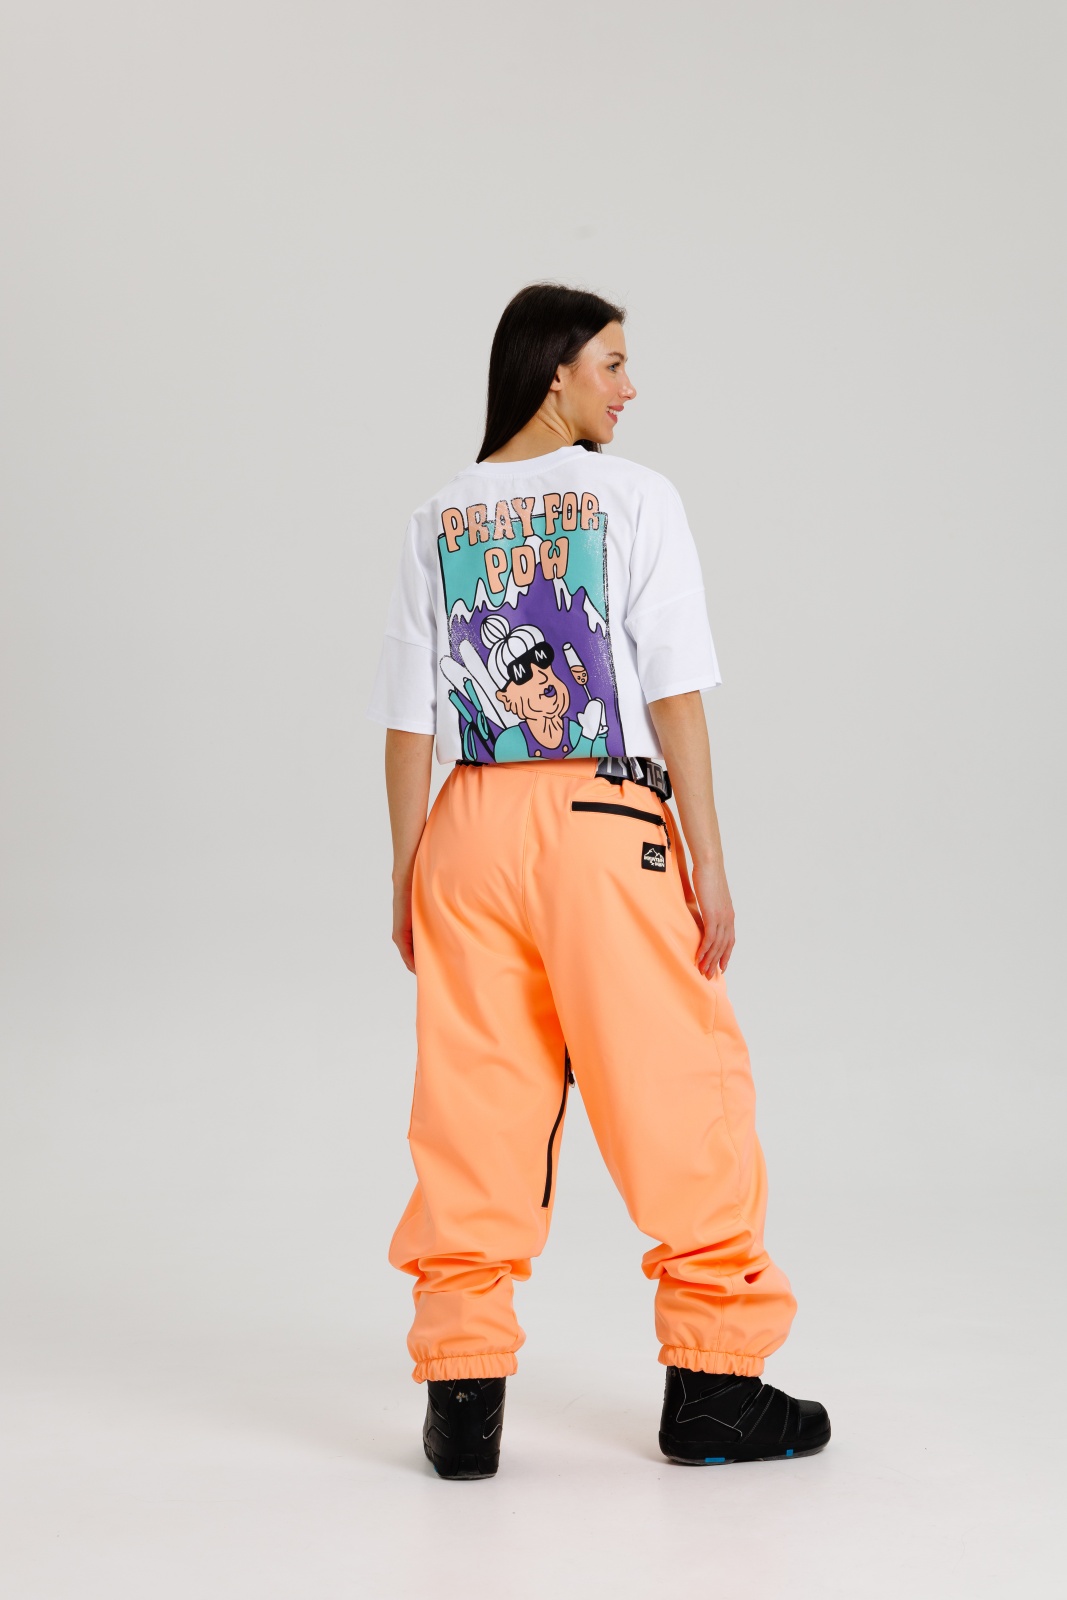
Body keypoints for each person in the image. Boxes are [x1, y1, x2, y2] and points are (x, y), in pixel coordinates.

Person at [366, 282, 830, 1479]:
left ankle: (461, 1400)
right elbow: (671, 687)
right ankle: (713, 1387)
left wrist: (408, 870)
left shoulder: (434, 515)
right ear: (553, 370)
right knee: (675, 1087)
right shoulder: (633, 497)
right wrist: (708, 858)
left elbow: (407, 718)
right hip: (600, 820)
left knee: (474, 1106)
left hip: (464, 829)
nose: (629, 388)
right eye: (612, 363)